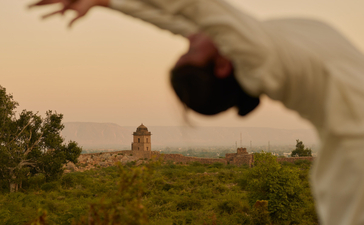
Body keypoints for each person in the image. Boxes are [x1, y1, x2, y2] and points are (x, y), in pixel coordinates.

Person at [29, 0, 364, 224]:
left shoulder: (245, 55)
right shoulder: (259, 58)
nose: (189, 40)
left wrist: (108, 3)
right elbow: (195, 6)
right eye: (189, 51)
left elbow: (177, 19)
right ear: (219, 66)